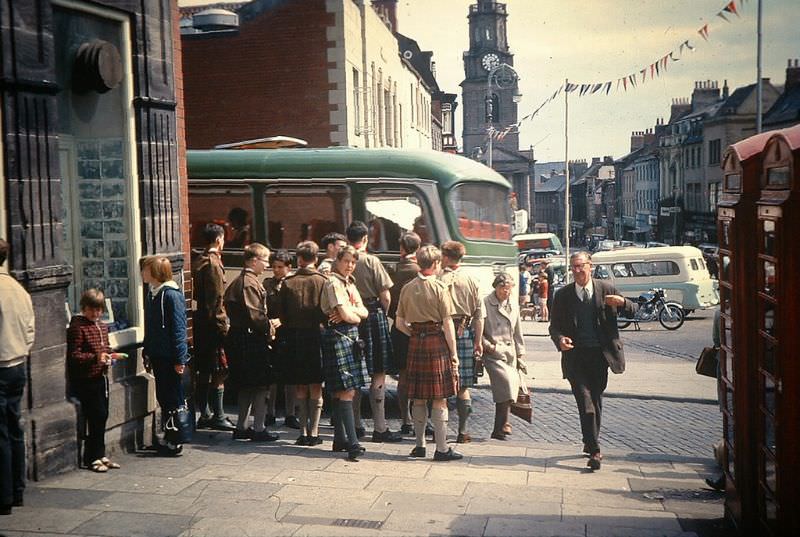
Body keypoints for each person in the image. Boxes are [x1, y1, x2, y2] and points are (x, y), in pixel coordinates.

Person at [548, 251, 638, 471]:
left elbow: (635, 309)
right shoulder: (563, 295)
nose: (577, 271)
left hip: (600, 356)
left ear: (591, 266)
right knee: (585, 401)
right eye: (574, 267)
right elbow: (554, 326)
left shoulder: (606, 289)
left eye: (581, 266)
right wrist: (560, 339)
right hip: (575, 357)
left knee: (595, 400)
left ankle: (589, 442)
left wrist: (623, 302)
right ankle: (595, 450)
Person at [395, 245, 462, 461]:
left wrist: (414, 333)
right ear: (434, 264)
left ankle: (419, 445)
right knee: (439, 399)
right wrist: (454, 353)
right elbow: (448, 323)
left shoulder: (407, 287)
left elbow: (398, 323)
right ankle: (442, 449)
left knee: (419, 398)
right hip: (436, 341)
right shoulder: (440, 288)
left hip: (416, 341)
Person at [347, 221, 401, 443]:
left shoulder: (342, 261)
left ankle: (357, 425)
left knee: (355, 374)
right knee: (378, 371)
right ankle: (380, 428)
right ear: (366, 239)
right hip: (372, 313)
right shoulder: (371, 261)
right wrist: (381, 313)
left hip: (350, 317)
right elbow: (386, 296)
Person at [223, 243, 279, 442]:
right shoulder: (249, 283)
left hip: (241, 338)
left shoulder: (241, 281)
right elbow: (256, 316)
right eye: (265, 261)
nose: (267, 265)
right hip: (250, 339)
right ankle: (258, 428)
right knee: (261, 385)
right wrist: (270, 328)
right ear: (254, 260)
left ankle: (242, 426)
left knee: (246, 385)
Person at [320, 245, 370, 460]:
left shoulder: (349, 282)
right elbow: (345, 314)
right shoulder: (333, 282)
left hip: (348, 336)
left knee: (343, 389)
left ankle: (340, 439)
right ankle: (352, 443)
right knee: (346, 390)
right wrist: (352, 314)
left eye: (353, 262)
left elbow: (363, 311)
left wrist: (353, 313)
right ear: (337, 261)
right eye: (346, 261)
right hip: (338, 335)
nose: (350, 265)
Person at [276, 241, 327, 446]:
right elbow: (326, 312)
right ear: (316, 259)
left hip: (294, 338)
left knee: (300, 387)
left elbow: (282, 315)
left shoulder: (288, 283)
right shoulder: (323, 281)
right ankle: (314, 433)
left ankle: (303, 432)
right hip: (316, 337)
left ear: (298, 259)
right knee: (316, 385)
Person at [67, 289, 121, 473]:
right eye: (91, 310)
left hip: (101, 377)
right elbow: (74, 356)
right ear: (83, 308)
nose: (95, 314)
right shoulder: (78, 328)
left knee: (102, 415)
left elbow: (105, 347)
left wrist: (110, 355)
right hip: (86, 379)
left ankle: (100, 453)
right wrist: (95, 358)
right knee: (94, 416)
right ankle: (92, 458)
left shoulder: (103, 326)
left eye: (99, 310)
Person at [141, 256, 190, 456]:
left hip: (169, 356)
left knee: (172, 398)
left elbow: (179, 329)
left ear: (155, 272)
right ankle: (170, 437)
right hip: (159, 355)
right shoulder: (153, 294)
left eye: (145, 270)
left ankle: (176, 440)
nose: (142, 273)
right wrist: (147, 349)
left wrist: (180, 359)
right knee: (164, 396)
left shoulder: (170, 295)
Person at [0, 239, 35, 515]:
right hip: (17, 364)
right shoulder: (18, 289)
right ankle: (18, 490)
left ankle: (4, 495)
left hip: (1, 366)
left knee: (1, 431)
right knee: (15, 427)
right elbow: (31, 330)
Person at [191, 223, 235, 432]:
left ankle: (206, 413)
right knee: (220, 371)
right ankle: (217, 415)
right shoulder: (214, 264)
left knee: (204, 370)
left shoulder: (199, 260)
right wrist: (224, 328)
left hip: (200, 323)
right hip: (213, 325)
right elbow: (217, 300)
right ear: (219, 240)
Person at [439, 241, 483, 443]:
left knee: (440, 386)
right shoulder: (472, 279)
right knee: (463, 386)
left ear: (446, 257)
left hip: (440, 333)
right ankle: (463, 432)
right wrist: (478, 341)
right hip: (465, 333)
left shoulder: (438, 278)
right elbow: (479, 315)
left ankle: (440, 432)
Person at [481, 273, 527, 441]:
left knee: (510, 387)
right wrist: (489, 346)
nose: (506, 292)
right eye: (503, 288)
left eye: (509, 289)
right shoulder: (486, 303)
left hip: (510, 353)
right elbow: (477, 329)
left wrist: (521, 354)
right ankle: (504, 424)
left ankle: (500, 427)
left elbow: (517, 331)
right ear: (496, 287)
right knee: (506, 383)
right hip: (493, 352)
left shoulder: (513, 304)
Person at [388, 232, 421, 435]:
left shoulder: (393, 270)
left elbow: (389, 302)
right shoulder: (420, 272)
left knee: (403, 375)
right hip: (418, 328)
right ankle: (419, 419)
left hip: (399, 327)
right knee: (418, 376)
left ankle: (405, 419)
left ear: (402, 249)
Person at [263, 249, 299, 429]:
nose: (276, 270)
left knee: (291, 376)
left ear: (289, 267)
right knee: (273, 375)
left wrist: (283, 320)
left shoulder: (294, 284)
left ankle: (291, 413)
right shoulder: (268, 285)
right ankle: (269, 412)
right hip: (272, 334)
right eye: (274, 267)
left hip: (290, 332)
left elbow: (298, 310)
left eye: (280, 267)